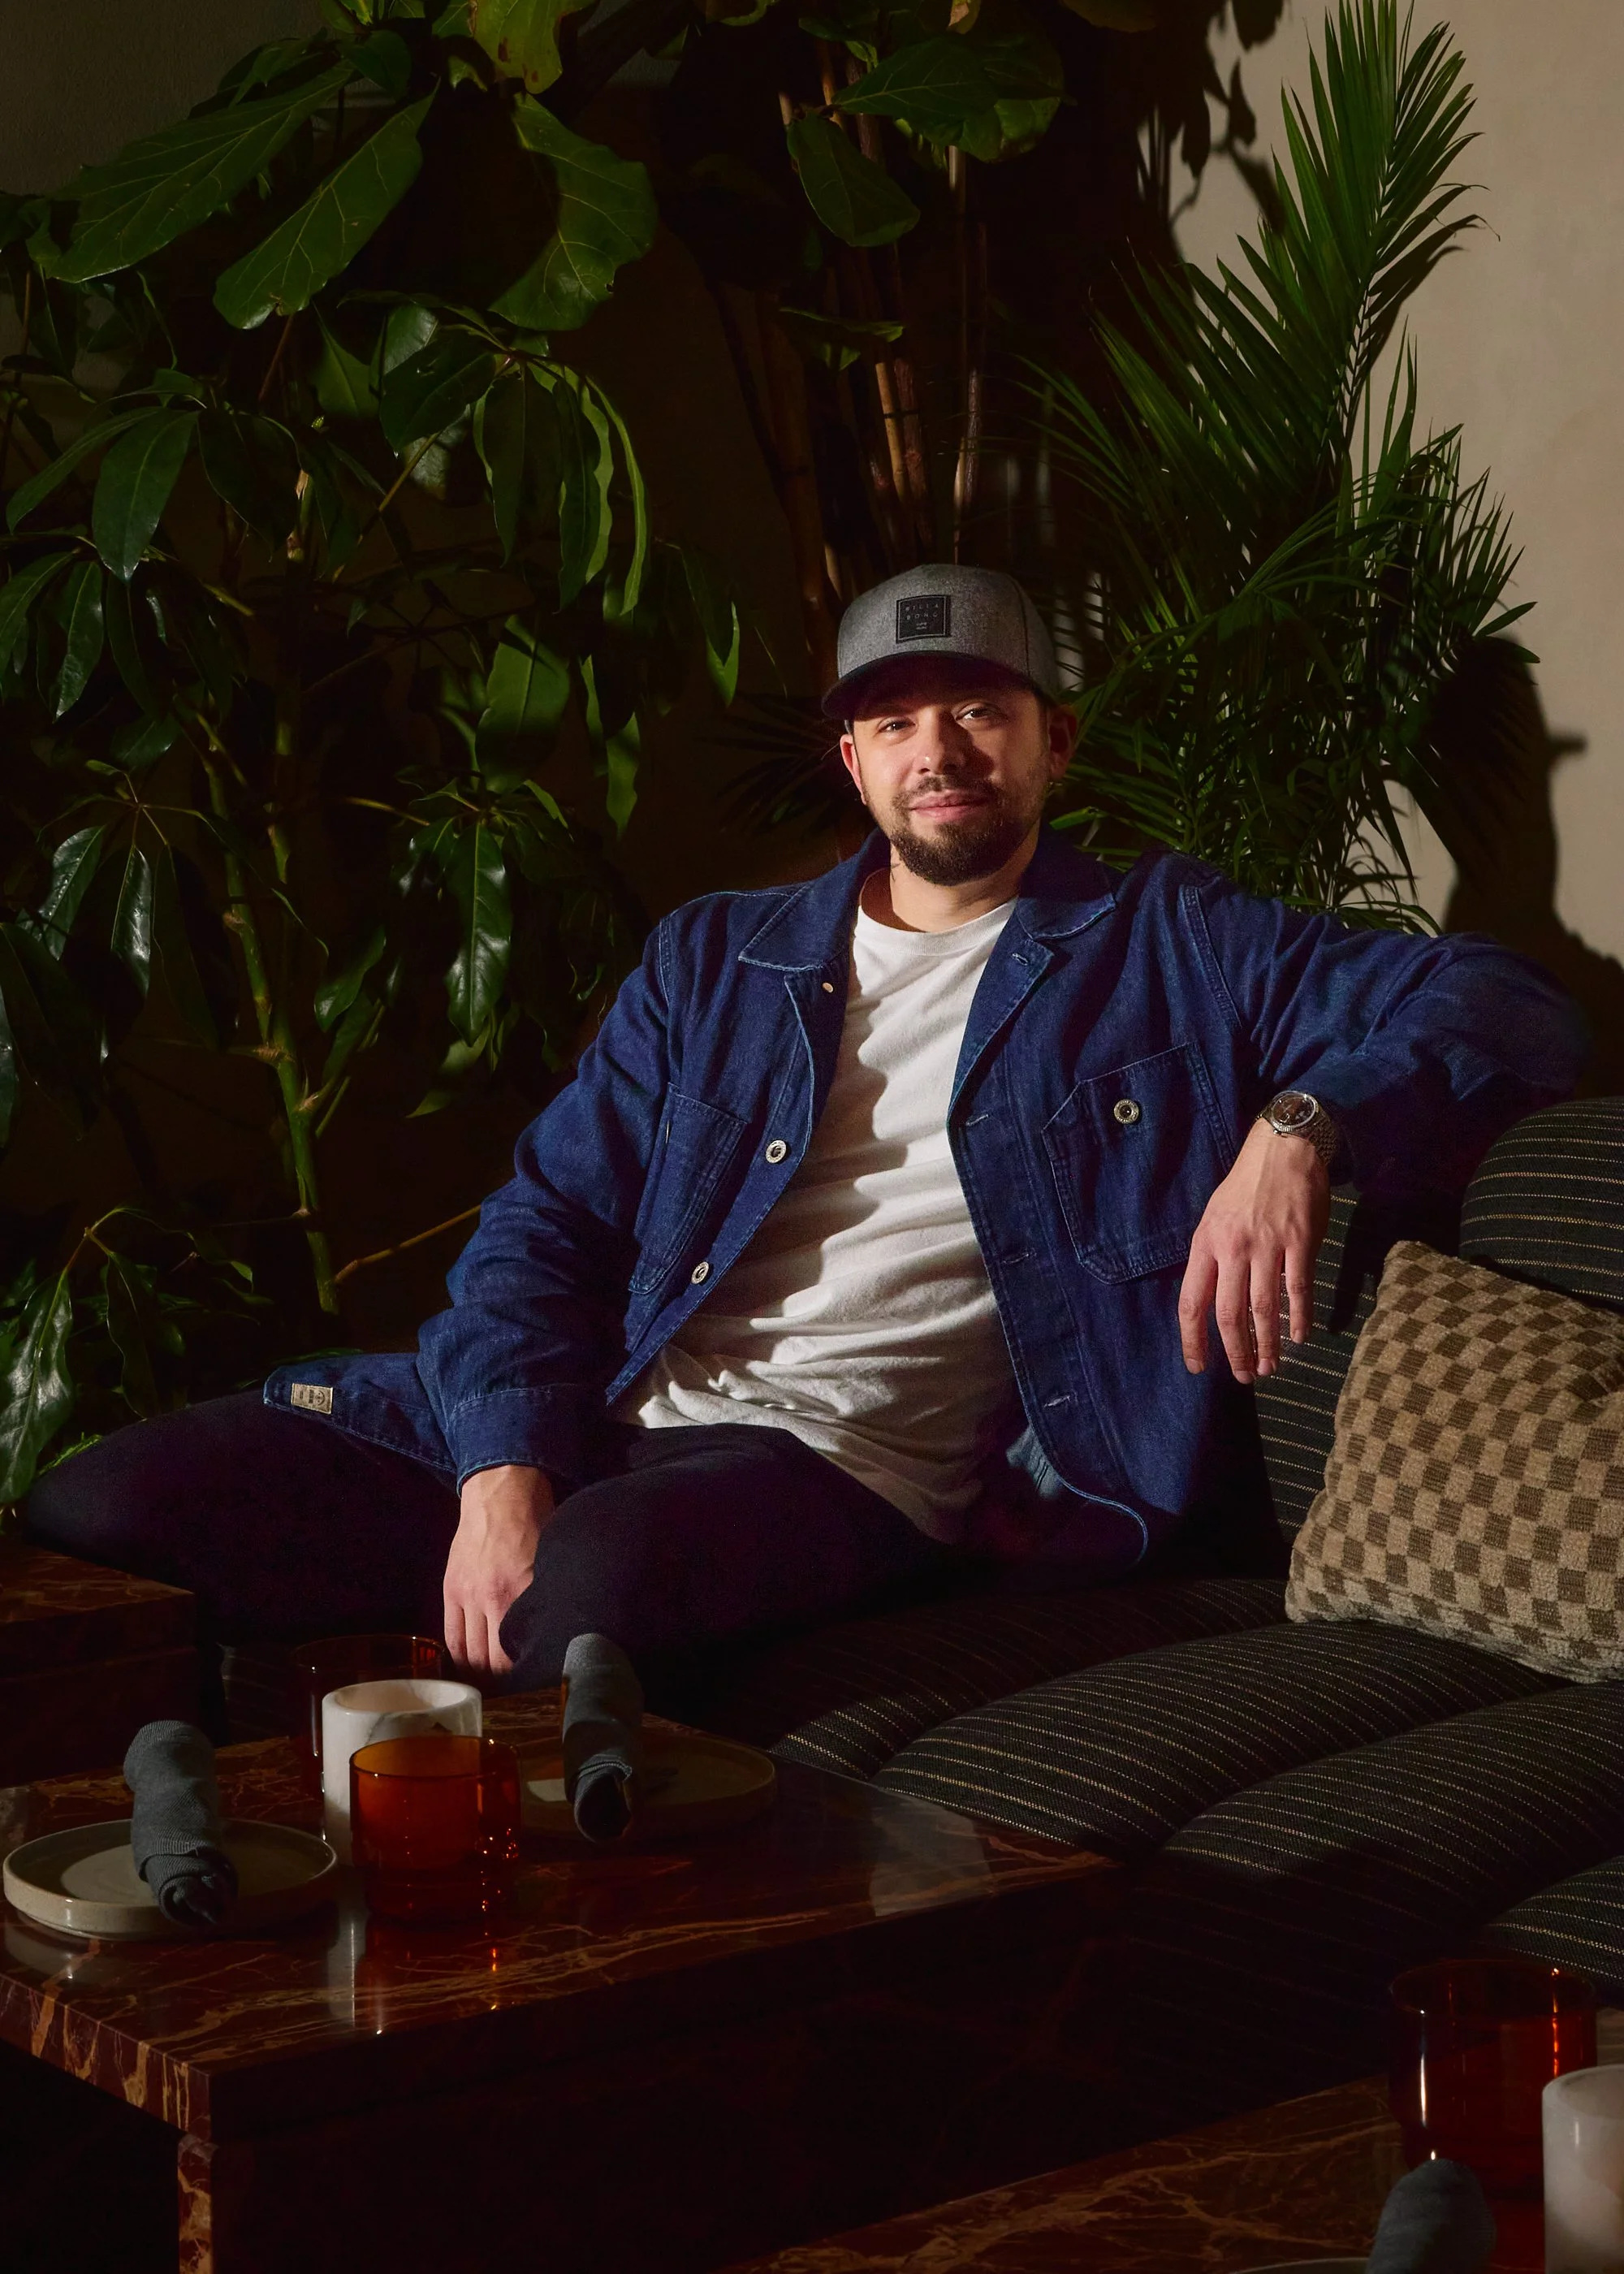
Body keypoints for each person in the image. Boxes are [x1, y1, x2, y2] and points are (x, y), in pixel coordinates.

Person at [28, 565, 1585, 1697]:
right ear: (850, 759)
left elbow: (1507, 1002)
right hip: (617, 1413)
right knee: (107, 1513)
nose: (940, 750)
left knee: (591, 1591)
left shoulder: (1171, 941)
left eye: (980, 707)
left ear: (1056, 738)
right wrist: (503, 1461)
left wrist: (1303, 1129)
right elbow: (544, 1228)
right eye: (896, 721)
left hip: (844, 1467)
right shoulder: (718, 959)